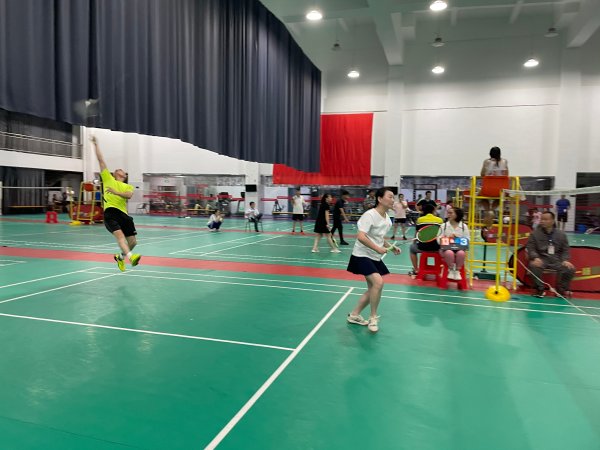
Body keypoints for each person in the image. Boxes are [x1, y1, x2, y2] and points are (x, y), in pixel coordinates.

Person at [346, 187, 401, 333]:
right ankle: (373, 317)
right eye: (390, 196)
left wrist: (391, 247)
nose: (393, 200)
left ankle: (354, 315)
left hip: (374, 256)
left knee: (373, 289)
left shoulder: (387, 219)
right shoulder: (369, 215)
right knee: (378, 282)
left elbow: (379, 238)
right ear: (380, 199)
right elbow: (361, 236)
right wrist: (377, 248)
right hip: (361, 255)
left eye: (393, 197)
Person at [91, 136, 141, 272]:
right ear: (114, 174)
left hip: (124, 214)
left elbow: (129, 195)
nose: (119, 169)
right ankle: (131, 257)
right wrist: (96, 144)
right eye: (118, 169)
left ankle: (120, 257)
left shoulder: (128, 186)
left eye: (122, 169)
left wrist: (116, 192)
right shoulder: (108, 179)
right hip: (110, 213)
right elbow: (101, 160)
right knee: (120, 237)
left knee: (133, 242)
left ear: (124, 175)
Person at [527, 211, 575, 298]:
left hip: (556, 260)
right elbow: (531, 248)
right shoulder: (534, 234)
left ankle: (560, 290)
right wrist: (535, 257)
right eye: (542, 219)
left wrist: (565, 260)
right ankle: (540, 289)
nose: (542, 221)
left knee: (569, 268)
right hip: (542, 259)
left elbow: (565, 250)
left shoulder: (561, 234)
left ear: (552, 221)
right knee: (533, 265)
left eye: (546, 219)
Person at [408, 203, 444, 277]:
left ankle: (416, 269)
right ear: (433, 211)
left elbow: (417, 234)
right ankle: (441, 270)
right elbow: (442, 234)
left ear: (423, 211)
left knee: (412, 248)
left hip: (423, 247)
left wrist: (414, 242)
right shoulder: (440, 220)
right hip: (437, 248)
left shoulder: (420, 220)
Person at [437, 207, 469, 281]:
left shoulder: (464, 226)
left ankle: (457, 271)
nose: (448, 215)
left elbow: (467, 239)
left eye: (451, 213)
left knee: (461, 253)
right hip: (445, 249)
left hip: (459, 248)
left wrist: (458, 238)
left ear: (457, 214)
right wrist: (447, 238)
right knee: (449, 253)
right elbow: (438, 238)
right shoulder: (443, 226)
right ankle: (450, 269)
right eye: (448, 213)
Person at [480, 146, 509, 227]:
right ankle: (492, 210)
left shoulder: (487, 162)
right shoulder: (505, 162)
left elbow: (482, 174)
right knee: (499, 198)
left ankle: (487, 210)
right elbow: (507, 174)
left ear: (490, 154)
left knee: (481, 197)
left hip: (488, 189)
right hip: (500, 190)